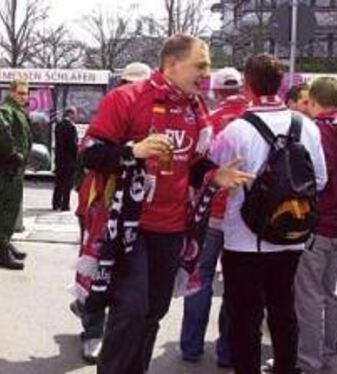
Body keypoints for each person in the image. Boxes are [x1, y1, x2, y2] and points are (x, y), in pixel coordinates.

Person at [80, 34, 252, 374]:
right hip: (130, 226)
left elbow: (194, 163)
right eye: (200, 65)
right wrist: (133, 152)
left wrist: (215, 175)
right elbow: (89, 154)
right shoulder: (127, 98)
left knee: (154, 311)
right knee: (130, 308)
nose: (206, 73)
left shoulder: (196, 107)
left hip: (172, 229)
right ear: (172, 65)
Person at [210, 53, 327, 374]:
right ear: (281, 84)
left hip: (243, 238)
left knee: (245, 316)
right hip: (291, 235)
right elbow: (319, 180)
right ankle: (285, 369)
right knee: (283, 309)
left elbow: (215, 173)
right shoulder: (307, 126)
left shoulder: (236, 130)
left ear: (246, 84)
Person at [70, 62, 152, 364]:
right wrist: (130, 152)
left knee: (125, 281)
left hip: (135, 212)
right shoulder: (110, 110)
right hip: (99, 208)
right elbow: (90, 156)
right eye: (128, 84)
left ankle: (100, 318)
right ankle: (92, 329)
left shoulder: (152, 113)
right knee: (95, 270)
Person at [179, 67, 248, 368]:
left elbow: (194, 165)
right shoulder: (255, 120)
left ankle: (191, 348)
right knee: (234, 286)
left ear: (217, 91)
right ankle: (227, 352)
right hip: (243, 219)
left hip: (208, 213)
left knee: (200, 279)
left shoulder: (209, 120)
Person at [293, 77, 337, 374]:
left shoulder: (313, 131)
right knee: (330, 291)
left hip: (317, 224)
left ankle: (309, 360)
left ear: (312, 101)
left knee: (308, 295)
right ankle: (328, 347)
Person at [0, 79, 32, 271]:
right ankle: (3, 251)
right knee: (7, 208)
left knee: (12, 207)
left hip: (15, 167)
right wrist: (13, 155)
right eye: (21, 93)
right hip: (10, 168)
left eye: (26, 93)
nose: (24, 97)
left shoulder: (15, 110)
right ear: (12, 92)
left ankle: (6, 243)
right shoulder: (5, 110)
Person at [52, 106, 78, 211]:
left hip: (59, 159)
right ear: (70, 114)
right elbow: (73, 146)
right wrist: (76, 158)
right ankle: (65, 205)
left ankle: (55, 203)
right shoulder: (71, 127)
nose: (76, 116)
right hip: (69, 161)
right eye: (75, 114)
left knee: (58, 182)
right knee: (67, 184)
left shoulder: (58, 125)